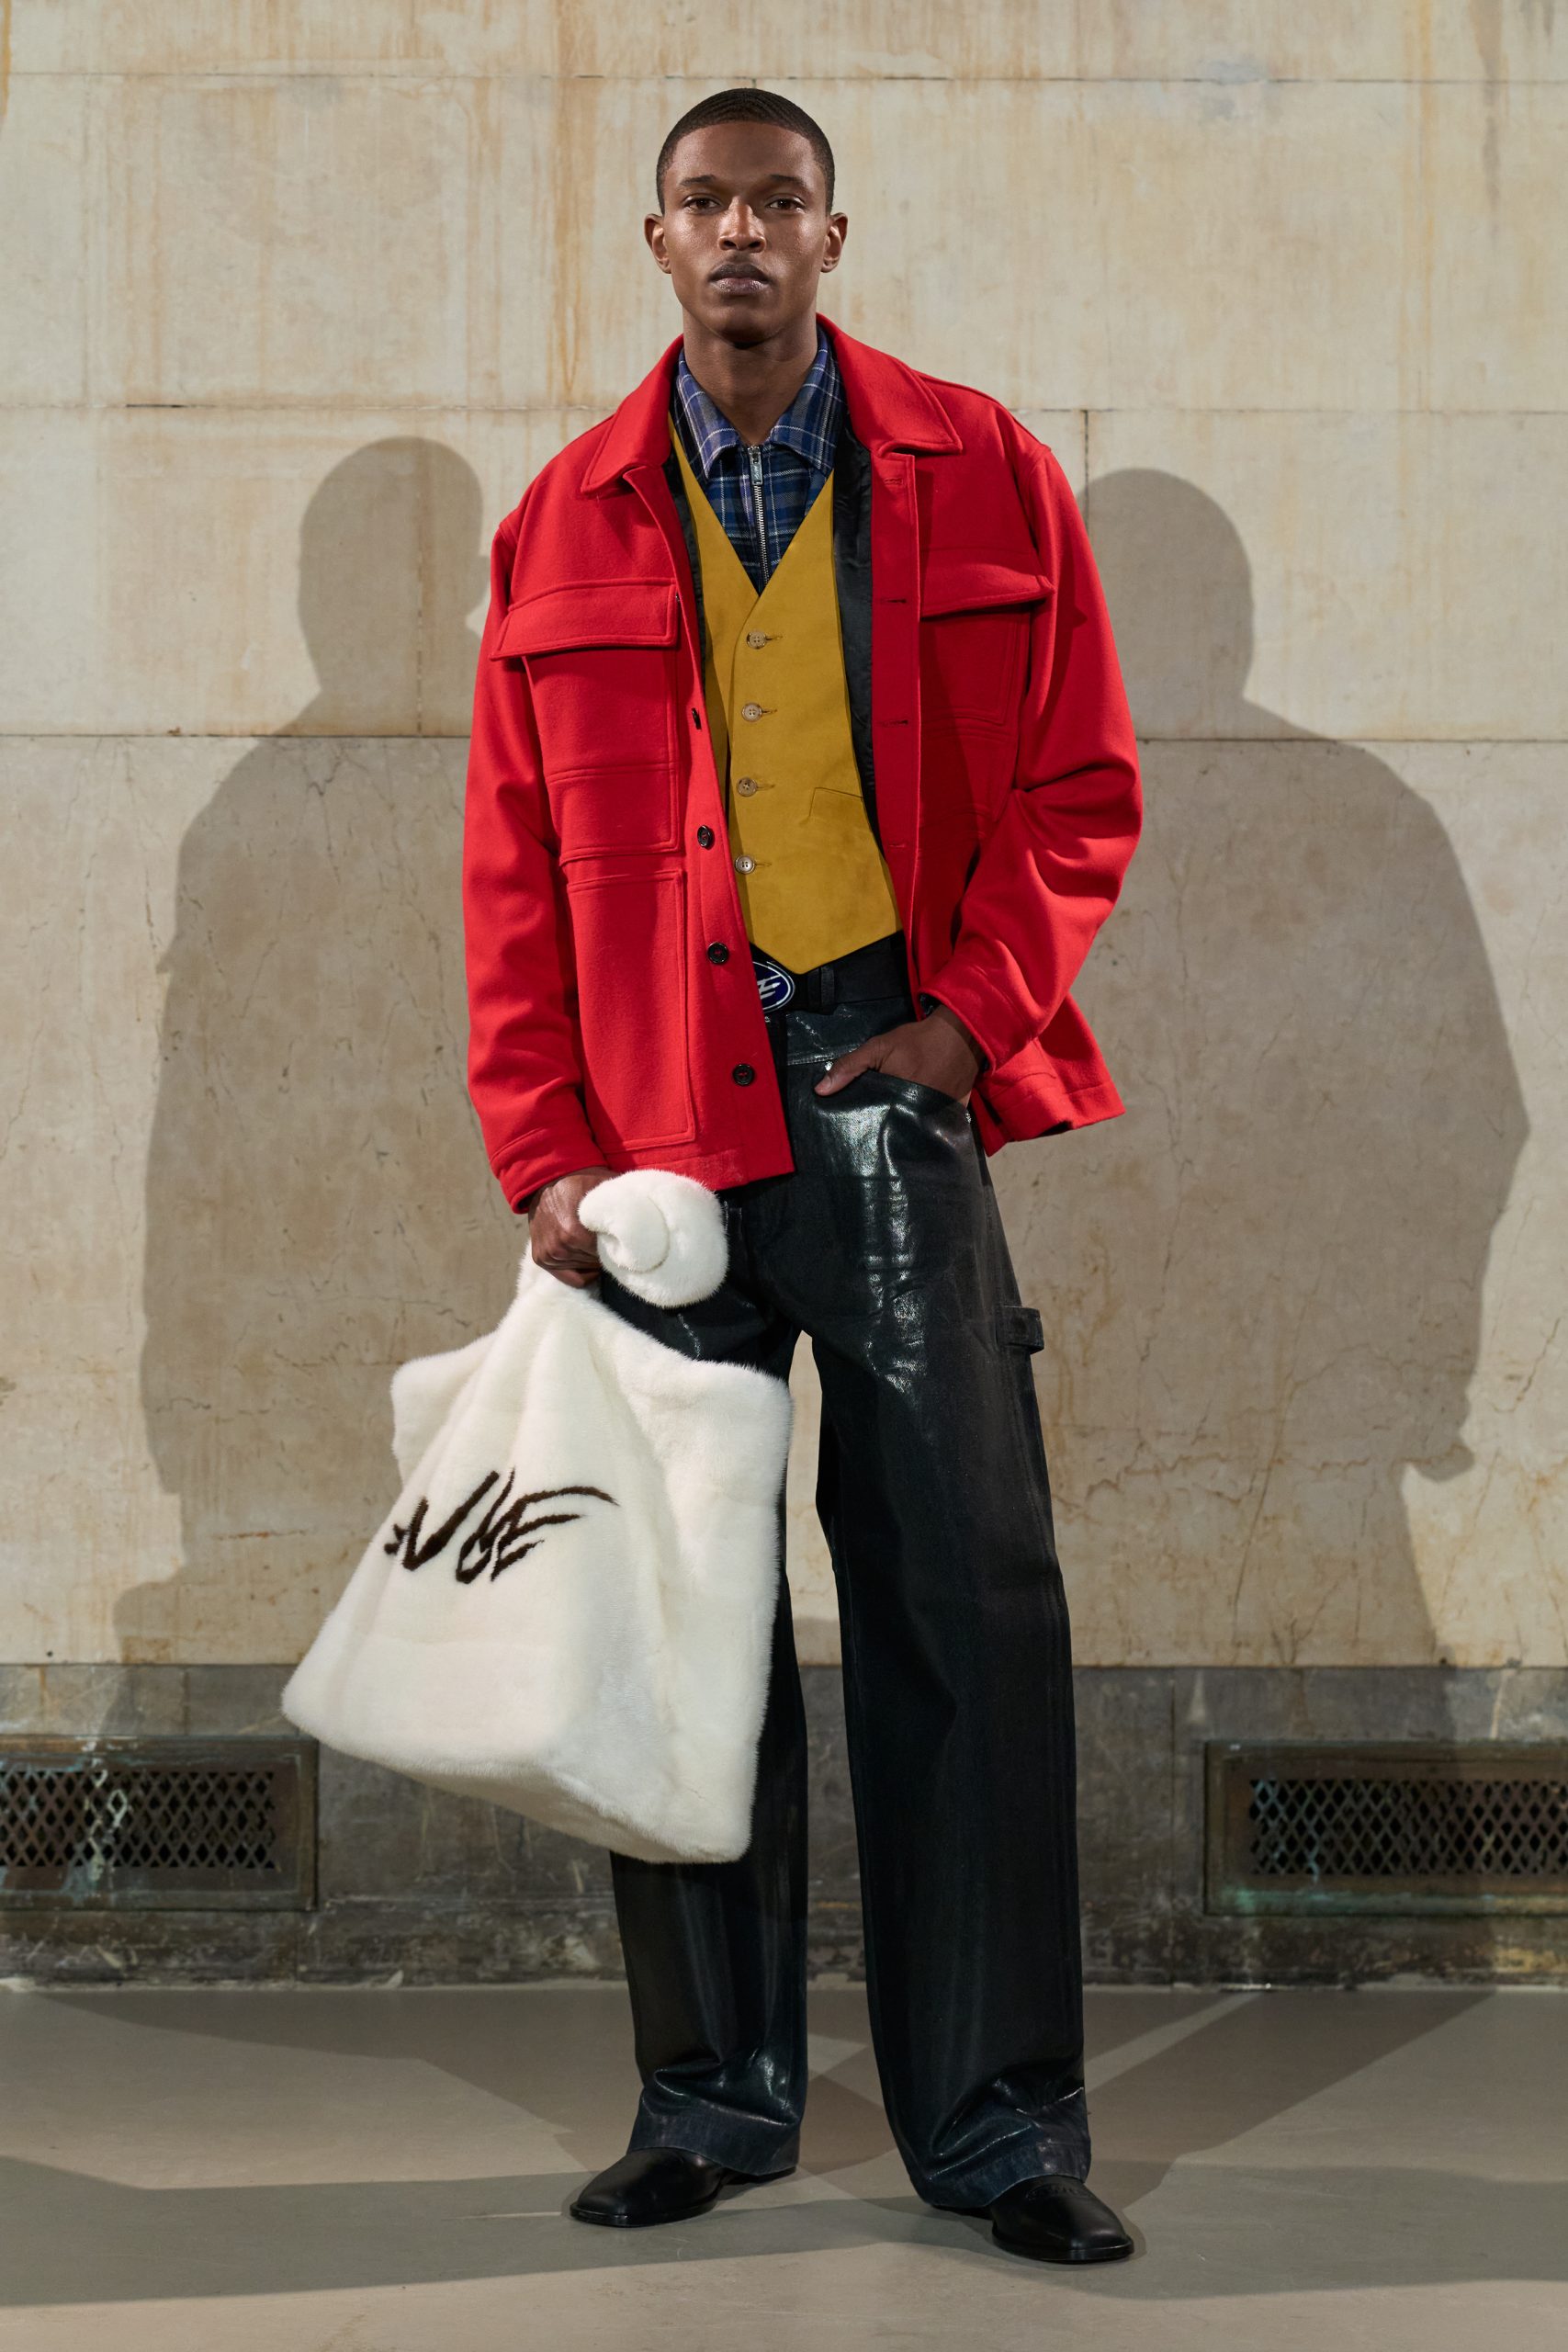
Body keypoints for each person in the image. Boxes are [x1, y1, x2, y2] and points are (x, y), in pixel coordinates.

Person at [462, 87, 1142, 2267]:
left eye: (776, 202)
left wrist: (966, 1023)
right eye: (702, 204)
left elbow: (1076, 779)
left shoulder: (977, 469)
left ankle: (996, 2119)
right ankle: (708, 2095)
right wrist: (546, 1149)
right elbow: (502, 872)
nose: (739, 234)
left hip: (886, 1083)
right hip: (655, 1131)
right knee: (679, 1621)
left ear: (831, 232)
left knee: (963, 1605)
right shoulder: (562, 518)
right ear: (651, 242)